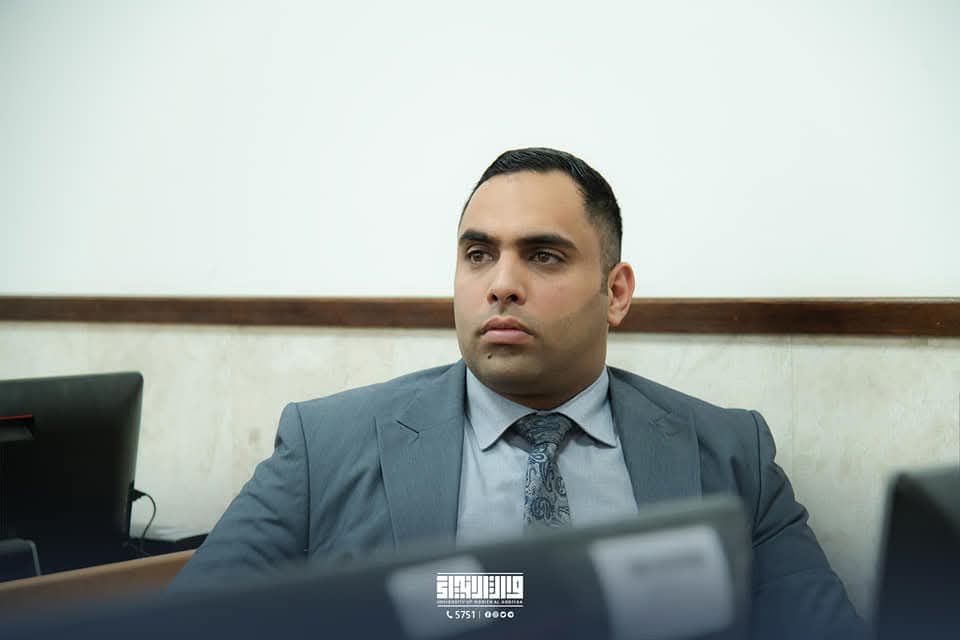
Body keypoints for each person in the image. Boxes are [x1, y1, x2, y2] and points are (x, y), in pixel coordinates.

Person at [171, 148, 865, 638]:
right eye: (478, 255)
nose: (501, 284)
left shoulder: (732, 453)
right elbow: (185, 623)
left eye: (543, 255)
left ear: (616, 293)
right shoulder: (326, 445)